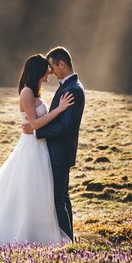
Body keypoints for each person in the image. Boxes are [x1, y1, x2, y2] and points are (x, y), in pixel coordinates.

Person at [0, 54, 74, 248]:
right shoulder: (26, 92)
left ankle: (39, 234)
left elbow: (36, 125)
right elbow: (34, 123)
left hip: (40, 146)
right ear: (37, 71)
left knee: (41, 191)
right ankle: (19, 234)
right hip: (30, 148)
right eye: (46, 70)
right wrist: (59, 110)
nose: (49, 73)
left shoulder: (35, 92)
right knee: (27, 190)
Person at [23, 46, 85, 240]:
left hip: (60, 153)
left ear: (62, 64)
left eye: (52, 67)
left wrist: (37, 131)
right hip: (55, 152)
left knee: (59, 199)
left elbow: (66, 127)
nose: (50, 71)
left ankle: (66, 240)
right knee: (61, 198)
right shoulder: (68, 86)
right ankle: (67, 238)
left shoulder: (73, 89)